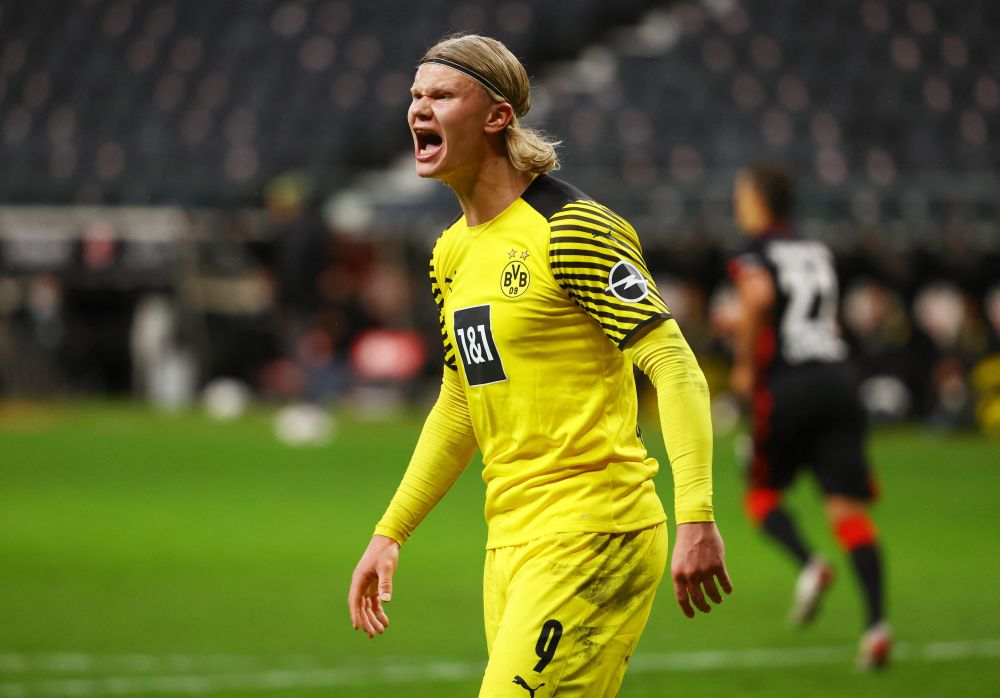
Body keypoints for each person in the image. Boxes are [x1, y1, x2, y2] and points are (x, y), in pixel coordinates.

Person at [347, 33, 731, 696]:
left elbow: (673, 364)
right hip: (511, 542)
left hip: (595, 532)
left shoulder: (571, 228)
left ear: (498, 117)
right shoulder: (449, 255)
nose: (417, 110)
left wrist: (696, 513)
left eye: (440, 95)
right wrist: (390, 532)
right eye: (414, 96)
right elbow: (462, 403)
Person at [724, 163, 890, 669]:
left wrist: (746, 365)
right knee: (846, 510)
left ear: (756, 199)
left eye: (741, 192)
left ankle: (811, 564)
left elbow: (760, 297)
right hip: (838, 381)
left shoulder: (755, 251)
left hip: (789, 385)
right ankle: (877, 626)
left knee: (760, 494)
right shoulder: (816, 249)